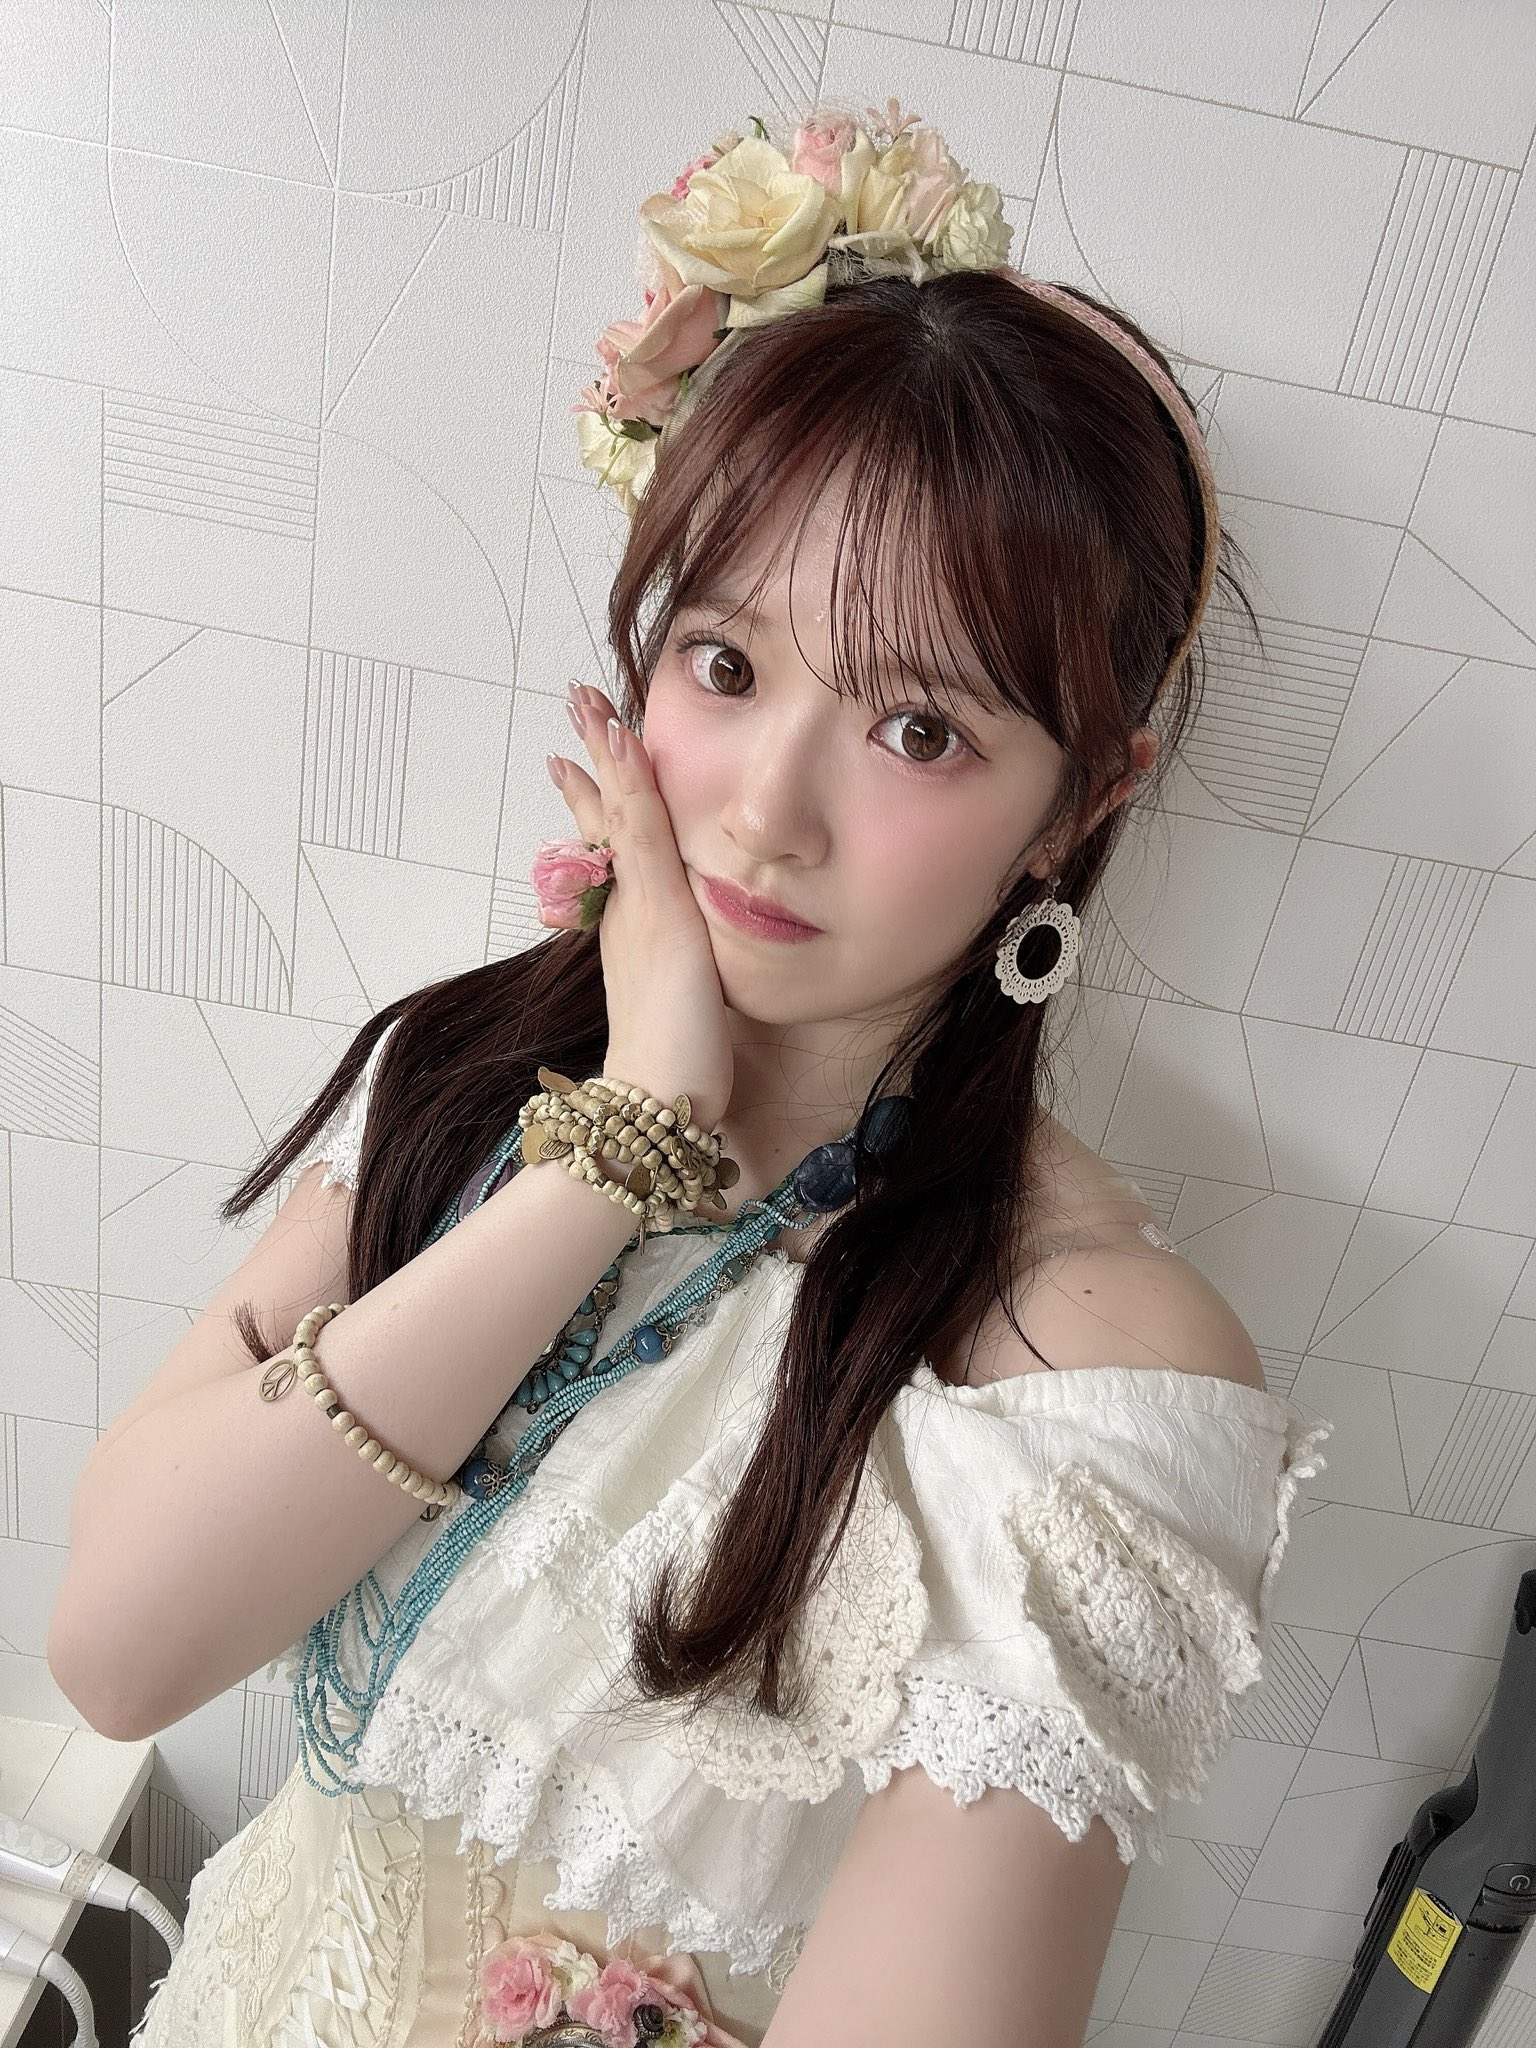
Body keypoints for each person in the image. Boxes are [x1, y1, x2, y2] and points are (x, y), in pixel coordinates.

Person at [50, 97, 1334, 2048]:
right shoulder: (477, 1089)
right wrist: (618, 1142)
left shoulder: (1076, 1375)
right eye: (727, 666)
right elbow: (122, 1651)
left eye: (920, 727)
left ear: (1082, 804)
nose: (764, 813)